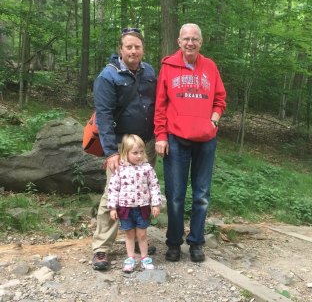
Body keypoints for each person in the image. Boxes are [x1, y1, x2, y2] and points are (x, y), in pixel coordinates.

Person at [154, 23, 226, 263]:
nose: (190, 43)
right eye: (186, 39)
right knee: (175, 195)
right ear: (179, 41)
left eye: (195, 39)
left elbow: (220, 99)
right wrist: (161, 136)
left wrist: (213, 121)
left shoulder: (210, 67)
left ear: (200, 42)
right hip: (176, 138)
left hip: (205, 141)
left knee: (201, 195)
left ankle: (196, 242)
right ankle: (174, 243)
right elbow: (161, 104)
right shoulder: (168, 66)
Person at [92, 28, 157, 271]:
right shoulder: (107, 77)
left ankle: (140, 244)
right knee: (113, 195)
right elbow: (104, 117)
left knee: (143, 193)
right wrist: (110, 153)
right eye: (128, 47)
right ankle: (101, 248)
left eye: (137, 47)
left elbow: (156, 105)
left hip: (145, 144)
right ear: (121, 49)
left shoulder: (149, 71)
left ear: (142, 49)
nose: (133, 51)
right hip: (120, 145)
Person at [107, 134, 161, 272]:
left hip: (142, 207)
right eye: (135, 153)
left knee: (142, 234)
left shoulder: (147, 168)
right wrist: (112, 208)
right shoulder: (119, 169)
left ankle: (145, 257)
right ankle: (130, 258)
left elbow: (154, 186)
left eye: (141, 152)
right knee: (129, 234)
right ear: (126, 152)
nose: (139, 156)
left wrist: (155, 204)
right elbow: (113, 189)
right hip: (125, 208)